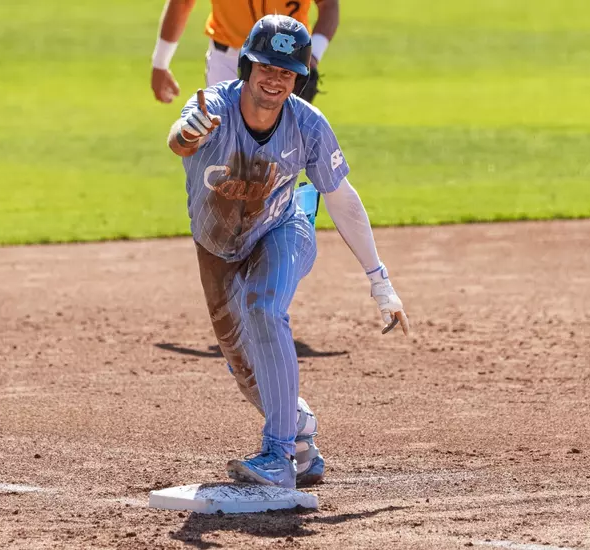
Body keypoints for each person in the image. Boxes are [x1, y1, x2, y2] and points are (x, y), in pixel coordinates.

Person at [166, 15, 409, 489]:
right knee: (244, 369)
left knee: (263, 306)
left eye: (287, 71)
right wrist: (189, 131)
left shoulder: (308, 125)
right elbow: (179, 140)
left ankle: (277, 456)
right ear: (247, 67)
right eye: (267, 67)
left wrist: (380, 281)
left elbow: (340, 197)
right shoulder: (214, 107)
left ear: (298, 78)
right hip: (216, 250)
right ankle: (299, 435)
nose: (275, 79)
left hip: (282, 230)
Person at [150, 0, 339, 104]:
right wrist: (160, 62)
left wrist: (312, 57)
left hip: (285, 63)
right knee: (224, 148)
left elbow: (328, 4)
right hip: (228, 62)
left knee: (281, 154)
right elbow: (182, 2)